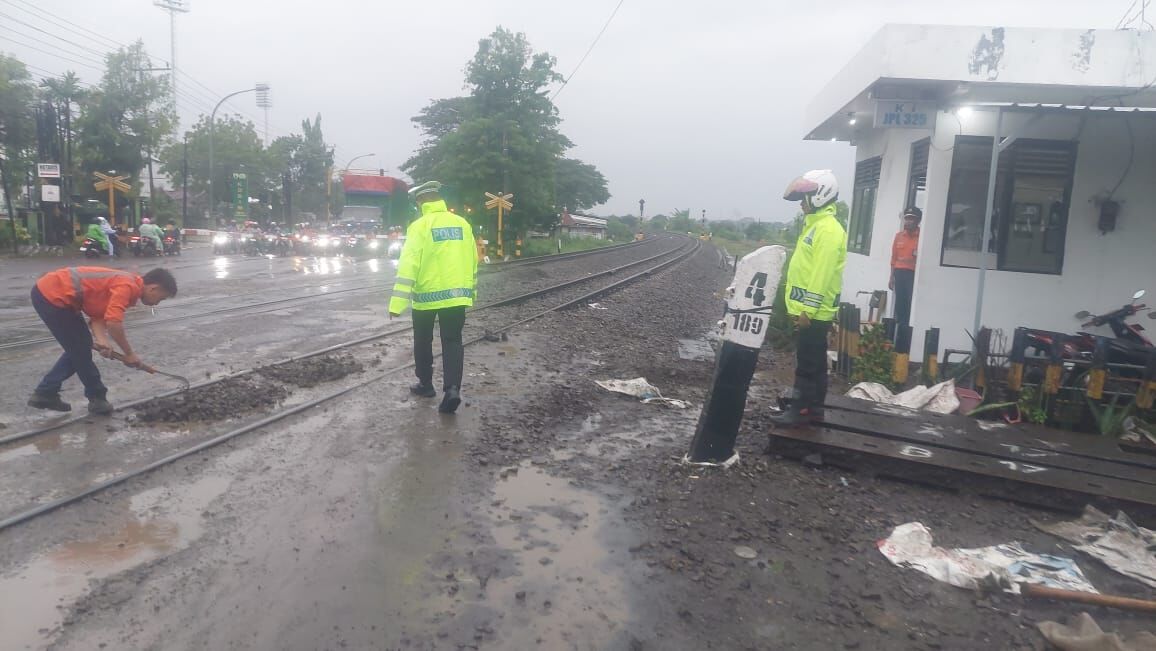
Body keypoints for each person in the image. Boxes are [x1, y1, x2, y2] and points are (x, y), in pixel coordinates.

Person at [27, 266, 178, 414]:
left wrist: (102, 340)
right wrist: (129, 353)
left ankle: (46, 392)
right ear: (153, 288)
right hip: (51, 295)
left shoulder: (129, 285)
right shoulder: (127, 286)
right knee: (80, 349)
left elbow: (98, 316)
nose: (157, 303)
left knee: (79, 348)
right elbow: (113, 323)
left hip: (56, 295)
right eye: (161, 298)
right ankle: (96, 397)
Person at [389, 181, 477, 414]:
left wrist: (397, 304)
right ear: (439, 199)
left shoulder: (419, 226)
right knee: (453, 340)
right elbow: (473, 260)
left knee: (423, 339)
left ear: (420, 202)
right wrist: (472, 292)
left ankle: (426, 385)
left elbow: (408, 265)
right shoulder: (462, 224)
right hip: (457, 296)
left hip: (426, 296)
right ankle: (453, 390)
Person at [771, 169, 847, 427]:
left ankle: (801, 411)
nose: (802, 204)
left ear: (820, 196)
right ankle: (813, 408)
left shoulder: (827, 230)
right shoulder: (817, 226)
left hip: (814, 313)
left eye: (805, 198)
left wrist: (808, 311)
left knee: (807, 363)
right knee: (814, 361)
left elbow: (820, 274)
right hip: (810, 311)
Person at [889, 207, 921, 329]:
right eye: (907, 218)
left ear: (918, 220)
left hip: (912, 275)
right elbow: (893, 258)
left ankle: (908, 329)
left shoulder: (921, 237)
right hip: (899, 273)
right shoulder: (899, 236)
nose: (908, 221)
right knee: (900, 303)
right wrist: (891, 277)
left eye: (911, 219)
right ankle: (900, 328)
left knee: (910, 302)